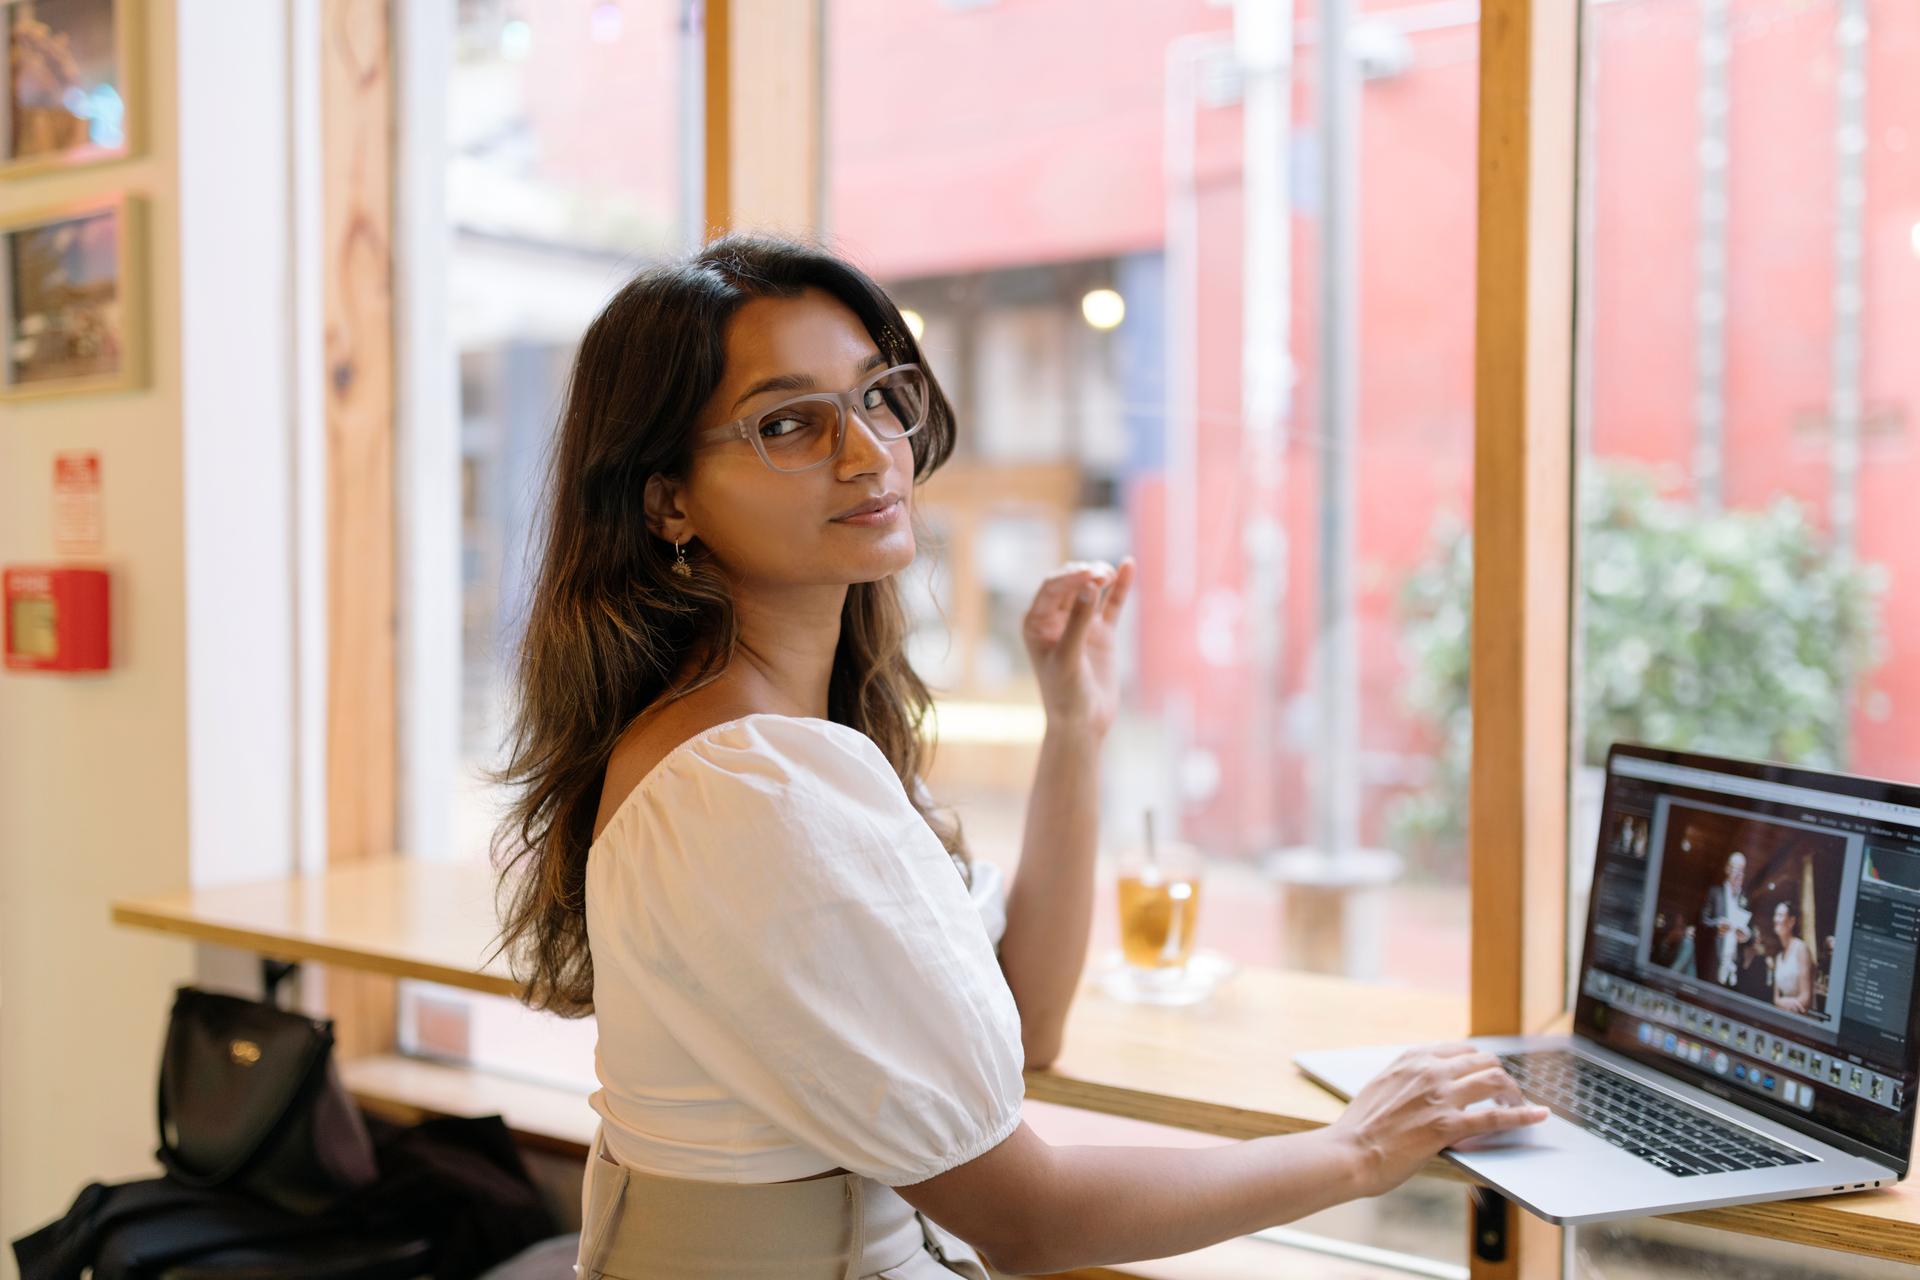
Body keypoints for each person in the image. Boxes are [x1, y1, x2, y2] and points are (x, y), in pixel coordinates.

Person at [485, 235, 1546, 1279]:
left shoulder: (781, 744)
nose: (868, 451)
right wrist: (1356, 1149)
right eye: (789, 423)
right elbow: (1029, 1221)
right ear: (668, 498)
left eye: (877, 396)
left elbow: (1025, 1017)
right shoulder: (746, 789)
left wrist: (1073, 726)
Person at [1701, 851, 1752, 987]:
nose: (1739, 874)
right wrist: (1717, 925)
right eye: (1736, 869)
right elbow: (1702, 922)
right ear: (1727, 869)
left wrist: (1746, 936)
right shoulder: (1715, 893)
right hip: (1714, 964)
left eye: (1742, 870)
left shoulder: (1746, 899)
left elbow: (1752, 932)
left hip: (1736, 969)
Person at [1771, 901, 1816, 1015]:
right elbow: (1776, 998)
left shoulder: (1801, 949)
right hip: (1784, 1015)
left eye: (1780, 915)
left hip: (1803, 1018)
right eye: (1775, 915)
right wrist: (1784, 1003)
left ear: (1791, 921)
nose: (1775, 919)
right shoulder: (1778, 957)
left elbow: (1806, 998)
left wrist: (1783, 1003)